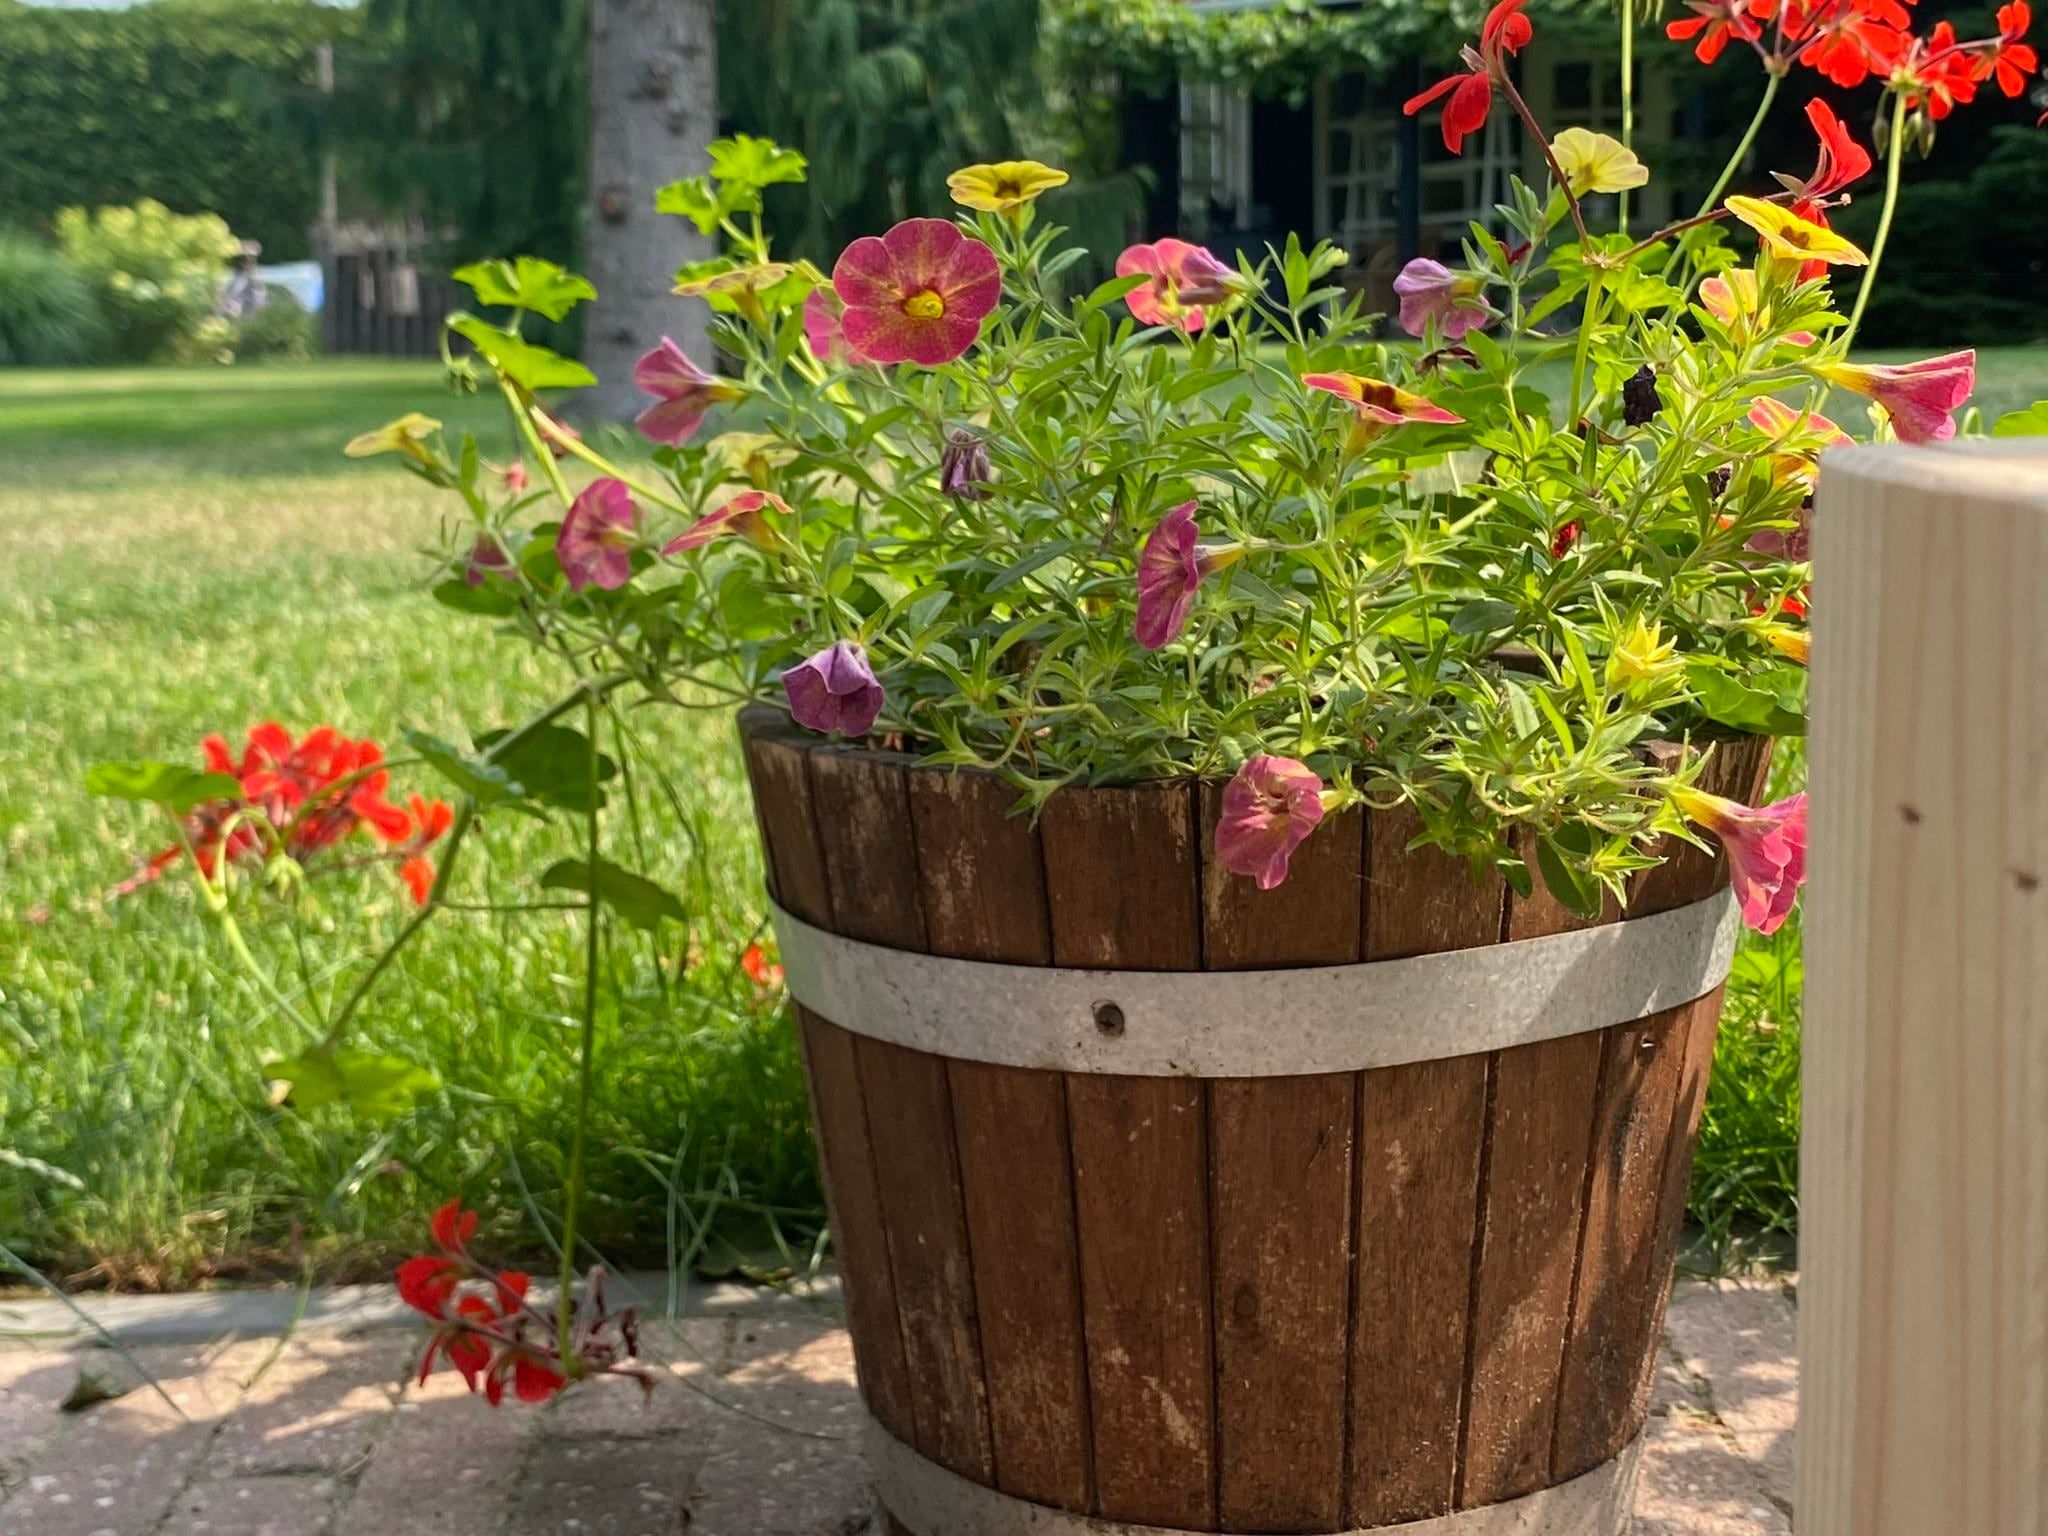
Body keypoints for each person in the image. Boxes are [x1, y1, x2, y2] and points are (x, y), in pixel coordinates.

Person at [218, 240, 269, 320]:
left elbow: (261, 299)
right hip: (231, 314)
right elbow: (222, 295)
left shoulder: (256, 276)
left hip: (249, 316)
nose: (250, 261)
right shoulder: (229, 275)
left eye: (252, 258)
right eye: (246, 258)